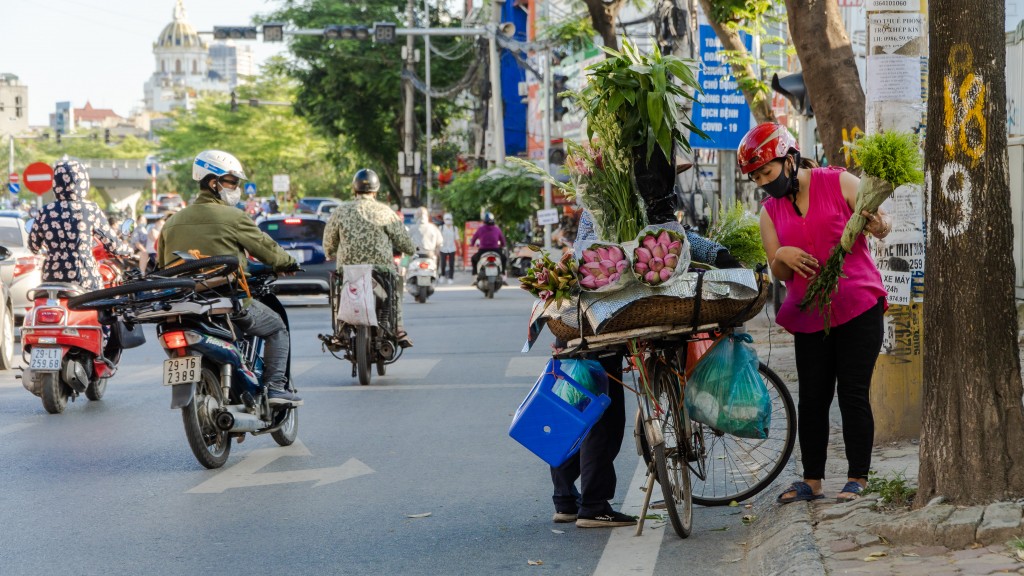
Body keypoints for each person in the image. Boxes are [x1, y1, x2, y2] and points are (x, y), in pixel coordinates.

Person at [739, 122, 888, 504]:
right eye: (756, 177)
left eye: (767, 172)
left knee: (852, 392)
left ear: (789, 159)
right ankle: (812, 480)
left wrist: (879, 223)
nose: (763, 182)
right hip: (810, 313)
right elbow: (780, 271)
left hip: (858, 305)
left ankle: (858, 477)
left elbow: (882, 223)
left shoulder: (837, 181)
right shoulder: (769, 214)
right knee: (813, 397)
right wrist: (780, 257)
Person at [158, 150, 301, 405]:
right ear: (213, 183)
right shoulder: (234, 217)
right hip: (228, 302)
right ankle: (276, 387)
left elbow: (162, 267)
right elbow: (268, 250)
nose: (237, 189)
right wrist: (288, 262)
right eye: (232, 182)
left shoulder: (171, 222)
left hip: (182, 306)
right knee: (277, 327)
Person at [549, 207, 634, 528]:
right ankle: (595, 505)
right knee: (603, 418)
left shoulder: (590, 208)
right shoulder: (618, 206)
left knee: (574, 410)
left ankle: (566, 500)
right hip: (599, 315)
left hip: (573, 316)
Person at [322, 168, 416, 348]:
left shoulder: (341, 211)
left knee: (338, 294)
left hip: (349, 270)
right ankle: (398, 329)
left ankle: (339, 331)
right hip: (380, 270)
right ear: (376, 190)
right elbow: (403, 240)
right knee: (395, 288)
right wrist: (410, 249)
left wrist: (330, 252)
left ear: (354, 189)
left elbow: (329, 241)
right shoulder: (385, 211)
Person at [28, 160, 132, 290]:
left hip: (52, 279)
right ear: (83, 183)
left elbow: (33, 246)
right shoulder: (90, 209)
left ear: (56, 182)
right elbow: (112, 244)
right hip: (84, 277)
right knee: (101, 306)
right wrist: (128, 251)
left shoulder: (45, 211)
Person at [469, 212, 507, 277]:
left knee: (473, 259)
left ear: (484, 221)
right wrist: (503, 245)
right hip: (495, 250)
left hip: (483, 250)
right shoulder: (497, 229)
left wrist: (472, 244)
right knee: (504, 258)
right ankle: (502, 273)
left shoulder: (480, 229)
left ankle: (475, 274)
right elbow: (503, 240)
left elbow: (474, 238)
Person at [438, 213, 460, 284]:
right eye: (446, 219)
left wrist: (459, 248)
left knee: (451, 264)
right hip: (443, 248)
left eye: (449, 219)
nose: (448, 221)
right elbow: (438, 238)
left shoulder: (454, 228)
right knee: (443, 263)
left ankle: (451, 277)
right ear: (444, 220)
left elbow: (457, 238)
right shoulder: (441, 228)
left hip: (452, 248)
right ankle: (442, 275)